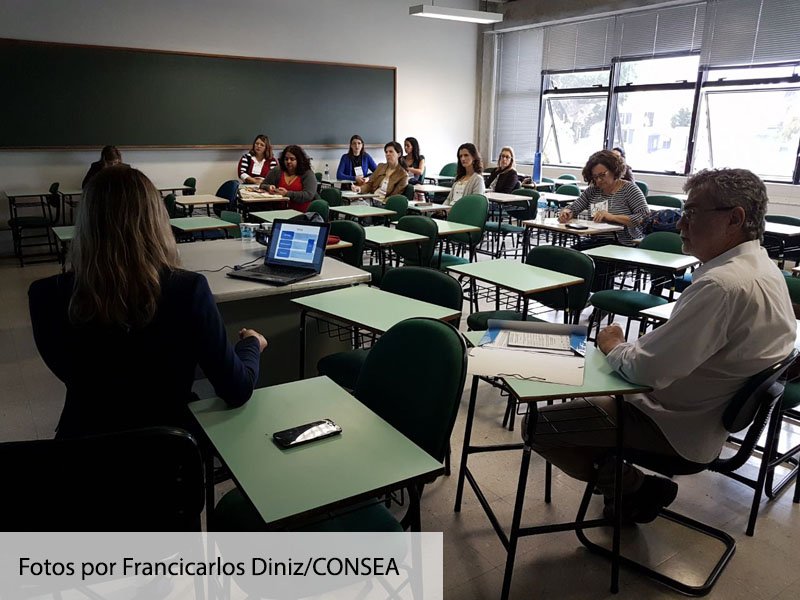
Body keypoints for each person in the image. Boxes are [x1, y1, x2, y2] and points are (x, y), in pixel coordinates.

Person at [532, 168, 796, 523]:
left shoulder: (722, 286)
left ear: (735, 219)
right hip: (704, 417)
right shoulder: (764, 268)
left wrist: (613, 345)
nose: (680, 223)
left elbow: (645, 370)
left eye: (693, 213)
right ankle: (627, 490)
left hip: (671, 426)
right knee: (592, 397)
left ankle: (636, 487)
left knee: (539, 427)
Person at [29, 166, 268, 439]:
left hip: (82, 446)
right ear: (156, 220)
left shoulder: (45, 295)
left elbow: (75, 372)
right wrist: (251, 344)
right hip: (168, 448)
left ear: (85, 222)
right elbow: (237, 390)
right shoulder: (188, 291)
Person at [558, 149, 649, 247]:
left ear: (614, 170)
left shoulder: (629, 189)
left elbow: (644, 218)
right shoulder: (593, 190)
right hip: (597, 241)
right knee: (569, 253)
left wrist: (612, 217)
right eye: (595, 177)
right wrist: (567, 213)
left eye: (602, 175)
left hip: (623, 244)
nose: (599, 180)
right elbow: (574, 207)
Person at [261, 145, 318, 212]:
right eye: (286, 159)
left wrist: (287, 194)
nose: (288, 161)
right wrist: (268, 187)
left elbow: (308, 195)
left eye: (292, 159)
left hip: (300, 213)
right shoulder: (277, 170)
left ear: (299, 160)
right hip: (277, 212)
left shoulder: (307, 173)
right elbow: (262, 185)